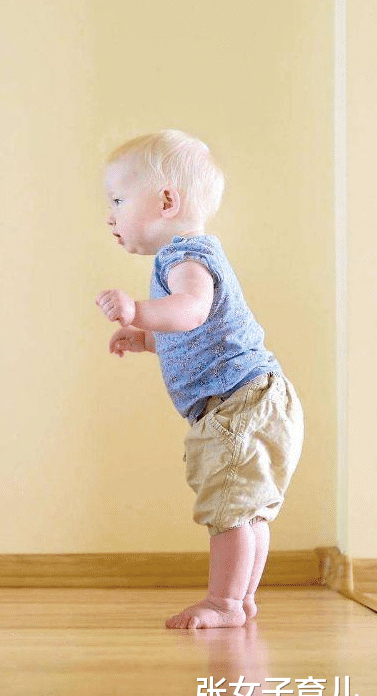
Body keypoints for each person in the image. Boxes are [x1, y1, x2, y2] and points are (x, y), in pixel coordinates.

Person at [94, 130, 303, 629]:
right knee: (247, 509)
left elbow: (191, 310)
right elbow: (193, 331)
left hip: (237, 402)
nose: (110, 215)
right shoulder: (191, 255)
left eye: (119, 200)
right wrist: (147, 338)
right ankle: (241, 599)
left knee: (230, 507)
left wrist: (137, 310)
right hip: (256, 397)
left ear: (167, 202)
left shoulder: (184, 257)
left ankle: (224, 603)